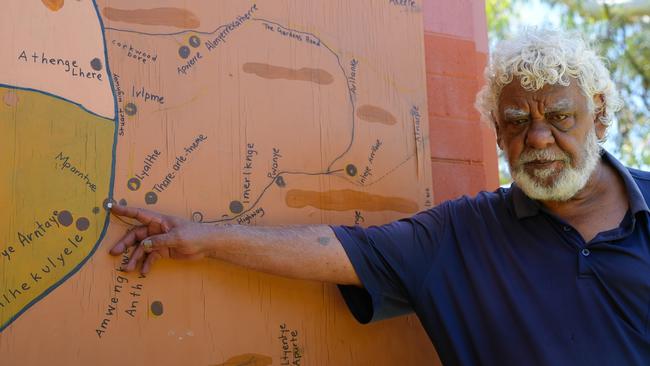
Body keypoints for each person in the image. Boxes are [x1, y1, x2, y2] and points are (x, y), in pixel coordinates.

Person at [110, 29, 650, 365]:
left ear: (598, 113)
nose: (536, 138)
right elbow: (338, 249)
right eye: (515, 122)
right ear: (498, 133)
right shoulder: (461, 236)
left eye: (558, 117)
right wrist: (202, 238)